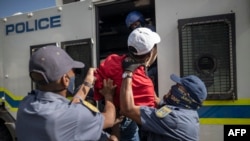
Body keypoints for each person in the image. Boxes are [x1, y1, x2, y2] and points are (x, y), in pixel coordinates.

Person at [15, 45, 118, 141]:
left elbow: (71, 109)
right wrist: (108, 96)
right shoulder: (72, 116)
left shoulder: (26, 104)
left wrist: (87, 83)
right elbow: (109, 119)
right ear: (65, 80)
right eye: (74, 71)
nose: (74, 75)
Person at [94, 27, 161, 141]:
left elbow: (99, 86)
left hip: (110, 115)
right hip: (126, 122)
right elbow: (148, 115)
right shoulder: (144, 84)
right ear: (149, 54)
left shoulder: (111, 60)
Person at [119, 64, 208, 141]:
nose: (172, 87)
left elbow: (128, 109)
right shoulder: (187, 111)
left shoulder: (174, 119)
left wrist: (128, 73)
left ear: (186, 96)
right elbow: (157, 101)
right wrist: (146, 80)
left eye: (178, 86)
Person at [125, 10, 158, 95]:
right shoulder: (134, 36)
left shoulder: (150, 30)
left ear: (141, 21)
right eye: (132, 26)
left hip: (154, 64)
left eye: (136, 24)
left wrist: (147, 64)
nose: (135, 27)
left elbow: (155, 49)